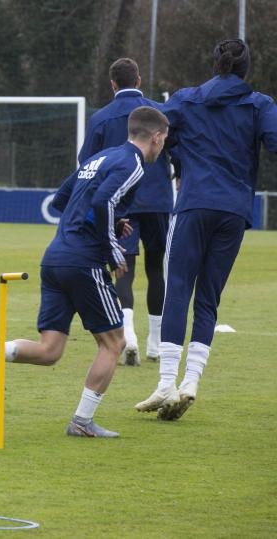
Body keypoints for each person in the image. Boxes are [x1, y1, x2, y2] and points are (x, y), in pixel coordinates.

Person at [0, 106, 170, 438]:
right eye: (164, 140)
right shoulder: (133, 164)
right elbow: (102, 202)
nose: (163, 146)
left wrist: (108, 221)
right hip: (84, 262)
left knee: (50, 349)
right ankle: (82, 422)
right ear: (156, 137)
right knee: (114, 342)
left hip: (55, 257)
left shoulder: (102, 158)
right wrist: (111, 244)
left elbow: (61, 200)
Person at [136, 39, 277, 421]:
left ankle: (166, 382)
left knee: (178, 286)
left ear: (214, 65)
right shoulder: (260, 104)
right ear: (247, 69)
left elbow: (152, 126)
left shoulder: (185, 99)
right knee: (209, 296)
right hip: (234, 209)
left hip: (195, 202)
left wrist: (175, 153)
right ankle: (191, 382)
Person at [78, 58, 173, 365]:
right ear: (140, 80)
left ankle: (128, 336)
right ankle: (155, 344)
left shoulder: (102, 118)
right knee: (157, 268)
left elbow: (86, 163)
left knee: (124, 268)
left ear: (113, 84)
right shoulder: (159, 113)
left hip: (122, 203)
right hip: (158, 199)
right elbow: (176, 148)